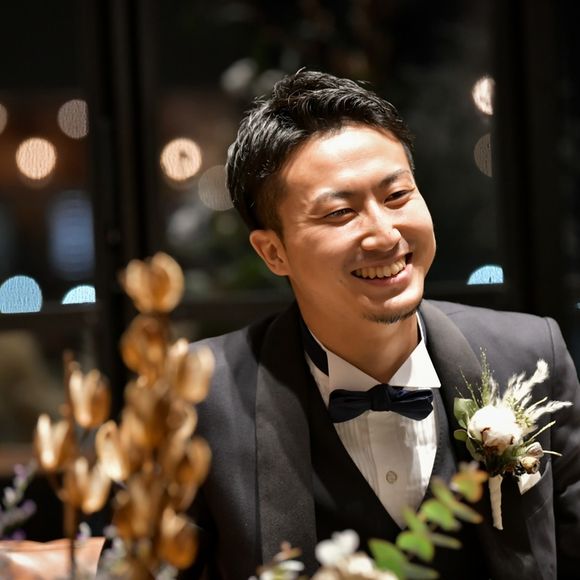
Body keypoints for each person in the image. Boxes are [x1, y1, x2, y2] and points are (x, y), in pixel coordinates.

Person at [187, 70, 580, 580]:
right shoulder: (200, 397)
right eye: (340, 212)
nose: (385, 234)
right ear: (273, 252)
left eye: (397, 196)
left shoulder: (528, 355)